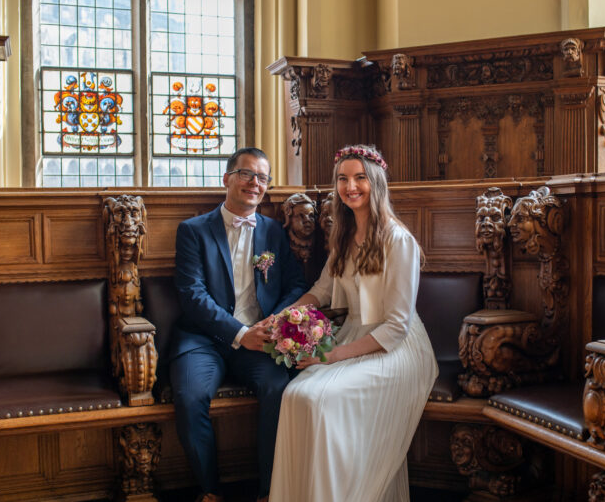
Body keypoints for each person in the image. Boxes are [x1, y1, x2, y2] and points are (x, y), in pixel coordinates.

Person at [269, 144, 438, 501]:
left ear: (375, 181)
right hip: (353, 337)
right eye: (343, 179)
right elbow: (321, 291)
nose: (351, 186)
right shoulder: (343, 240)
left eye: (360, 177)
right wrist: (282, 318)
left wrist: (330, 357)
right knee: (296, 395)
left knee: (318, 400)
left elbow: (395, 327)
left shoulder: (398, 240)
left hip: (396, 347)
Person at [170, 147, 308, 502]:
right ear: (227, 179)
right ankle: (210, 490)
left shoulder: (275, 232)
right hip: (204, 338)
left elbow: (295, 284)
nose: (254, 183)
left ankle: (268, 492)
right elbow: (192, 295)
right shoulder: (193, 231)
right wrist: (240, 333)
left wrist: (273, 323)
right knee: (189, 397)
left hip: (260, 338)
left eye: (262, 177)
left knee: (280, 389)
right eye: (247, 174)